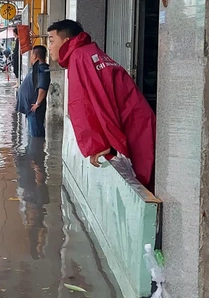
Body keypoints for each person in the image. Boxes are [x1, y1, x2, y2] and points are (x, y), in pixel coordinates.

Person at [47, 19, 156, 188]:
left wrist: (100, 145)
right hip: (138, 119)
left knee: (142, 181)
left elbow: (86, 105)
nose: (49, 47)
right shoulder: (89, 53)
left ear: (66, 41)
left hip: (133, 122)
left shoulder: (79, 57)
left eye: (52, 40)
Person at [16, 45, 51, 138]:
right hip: (30, 108)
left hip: (34, 109)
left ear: (35, 56)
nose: (30, 57)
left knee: (36, 135)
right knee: (32, 133)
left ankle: (38, 150)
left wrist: (37, 103)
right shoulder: (36, 68)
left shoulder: (42, 70)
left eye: (31, 55)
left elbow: (43, 88)